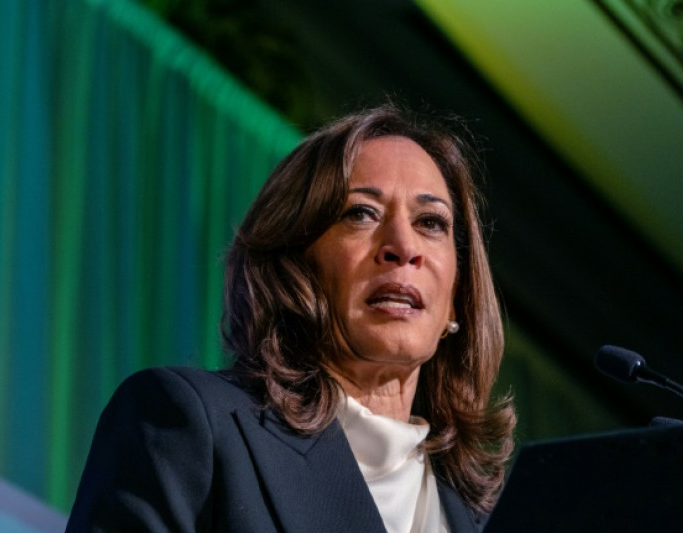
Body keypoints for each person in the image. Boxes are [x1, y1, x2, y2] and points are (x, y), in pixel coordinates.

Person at [66, 102, 516, 532]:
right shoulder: (192, 425)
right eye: (361, 214)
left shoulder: (490, 517)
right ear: (293, 265)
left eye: (431, 222)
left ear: (456, 298)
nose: (403, 246)